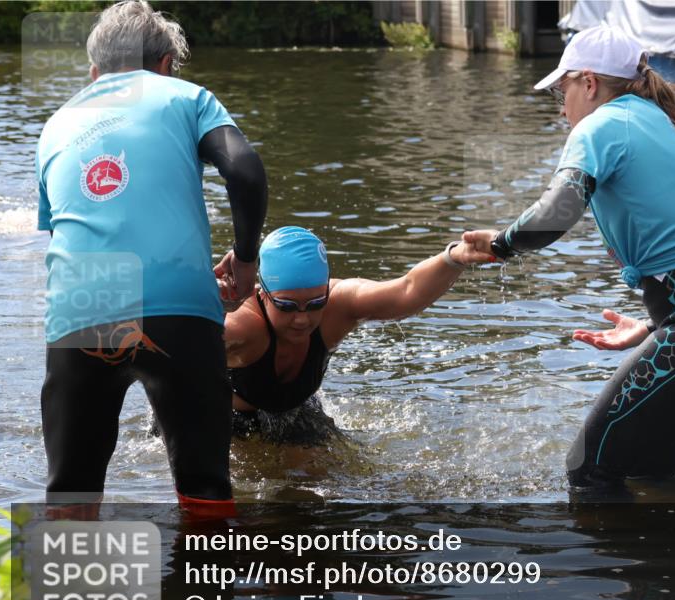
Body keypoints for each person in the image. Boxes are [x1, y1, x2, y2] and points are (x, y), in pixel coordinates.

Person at [464, 26, 675, 489]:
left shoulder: (602, 124)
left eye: (563, 89)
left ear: (589, 83)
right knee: (647, 471)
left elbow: (554, 214)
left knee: (587, 470)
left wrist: (499, 244)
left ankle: (608, 564)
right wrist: (659, 325)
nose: (561, 106)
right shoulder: (667, 124)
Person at [37, 0, 265, 514]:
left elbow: (64, 233)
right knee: (205, 491)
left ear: (94, 71)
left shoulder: (57, 121)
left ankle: (61, 591)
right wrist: (246, 260)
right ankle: (203, 588)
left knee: (71, 493)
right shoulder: (189, 98)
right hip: (178, 301)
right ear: (164, 64)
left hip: (84, 301)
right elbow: (245, 171)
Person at [222, 226, 495, 441]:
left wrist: (456, 257)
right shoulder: (242, 325)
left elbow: (406, 290)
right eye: (287, 306)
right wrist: (209, 302)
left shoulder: (339, 305)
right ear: (263, 293)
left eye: (316, 303)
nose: (302, 319)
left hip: (295, 413)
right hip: (230, 422)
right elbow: (183, 346)